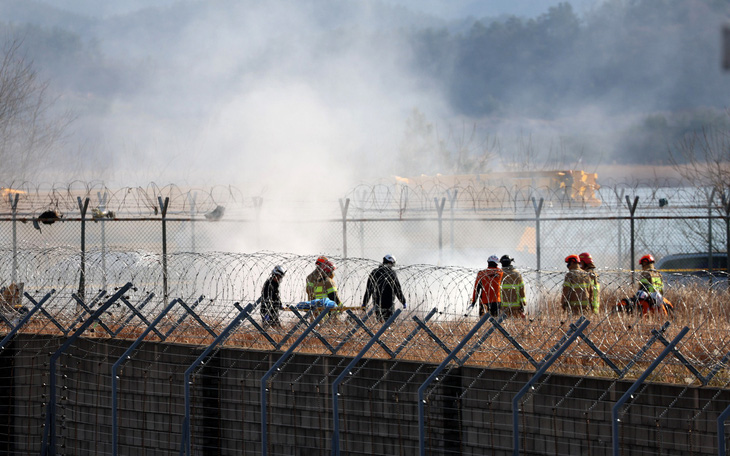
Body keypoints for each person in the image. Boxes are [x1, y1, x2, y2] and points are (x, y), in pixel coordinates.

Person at [362, 254, 407, 322]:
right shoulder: (391, 273)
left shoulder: (375, 272)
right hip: (389, 303)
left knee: (380, 323)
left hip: (377, 301)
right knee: (389, 323)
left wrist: (365, 303)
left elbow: (369, 289)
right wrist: (403, 301)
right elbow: (397, 289)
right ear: (390, 263)